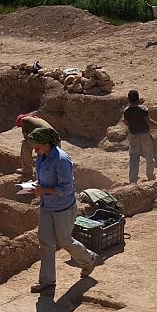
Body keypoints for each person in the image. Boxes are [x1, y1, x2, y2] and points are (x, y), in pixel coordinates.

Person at [26, 126, 99, 294]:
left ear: (47, 143)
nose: (35, 150)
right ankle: (47, 281)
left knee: (65, 241)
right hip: (46, 206)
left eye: (37, 146)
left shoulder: (61, 160)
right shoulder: (41, 156)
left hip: (63, 208)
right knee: (45, 243)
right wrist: (35, 185)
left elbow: (67, 189)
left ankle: (88, 259)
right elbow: (43, 179)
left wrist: (43, 190)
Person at [122, 90, 157, 183]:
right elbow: (148, 121)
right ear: (138, 99)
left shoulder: (126, 111)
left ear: (129, 100)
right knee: (149, 154)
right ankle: (150, 175)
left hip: (133, 135)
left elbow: (127, 123)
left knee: (134, 156)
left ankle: (133, 179)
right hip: (145, 135)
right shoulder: (143, 109)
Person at [15, 111, 55, 176]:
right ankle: (48, 171)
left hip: (45, 139)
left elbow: (26, 138)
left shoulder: (24, 120)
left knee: (25, 145)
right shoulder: (36, 119)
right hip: (56, 140)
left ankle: (26, 169)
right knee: (41, 148)